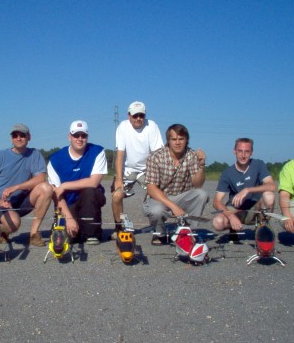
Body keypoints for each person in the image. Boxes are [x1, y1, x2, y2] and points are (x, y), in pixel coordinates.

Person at [0, 124, 52, 247]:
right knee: (14, 223)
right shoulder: (0, 156)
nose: (18, 138)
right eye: (15, 135)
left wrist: (16, 187)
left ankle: (34, 234)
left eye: (22, 135)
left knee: (46, 188)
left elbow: (41, 178)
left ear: (29, 137)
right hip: (3, 203)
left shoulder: (34, 154)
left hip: (22, 199)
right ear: (11, 138)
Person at [142, 123, 209, 245]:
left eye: (181, 139)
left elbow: (197, 184)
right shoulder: (155, 157)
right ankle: (159, 234)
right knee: (156, 210)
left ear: (186, 140)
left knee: (202, 194)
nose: (177, 143)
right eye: (173, 139)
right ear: (168, 141)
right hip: (160, 197)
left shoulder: (192, 156)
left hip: (181, 195)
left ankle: (188, 232)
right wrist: (173, 206)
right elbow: (151, 189)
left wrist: (201, 166)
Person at [47, 120, 108, 244]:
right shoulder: (55, 159)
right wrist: (69, 218)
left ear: (87, 137)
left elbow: (94, 182)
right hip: (67, 203)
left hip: (89, 199)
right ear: (69, 137)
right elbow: (56, 194)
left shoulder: (97, 151)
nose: (80, 139)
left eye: (83, 135)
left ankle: (92, 233)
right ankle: (76, 227)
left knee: (90, 191)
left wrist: (65, 185)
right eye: (76, 135)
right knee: (68, 238)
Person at [111, 101, 163, 238]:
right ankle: (119, 228)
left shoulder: (152, 126)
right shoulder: (122, 127)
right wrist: (119, 179)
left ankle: (158, 230)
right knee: (116, 195)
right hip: (128, 170)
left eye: (141, 115)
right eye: (135, 116)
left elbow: (158, 153)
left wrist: (156, 179)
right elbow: (120, 154)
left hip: (147, 170)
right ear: (129, 116)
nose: (139, 118)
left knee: (158, 195)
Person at [212, 138, 276, 238]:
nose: (243, 155)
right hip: (237, 209)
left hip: (256, 207)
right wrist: (231, 216)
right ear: (234, 151)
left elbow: (271, 186)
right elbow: (216, 202)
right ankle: (233, 228)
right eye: (240, 151)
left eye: (247, 152)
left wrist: (248, 190)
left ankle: (262, 226)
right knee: (218, 222)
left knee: (269, 196)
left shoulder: (259, 165)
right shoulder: (227, 173)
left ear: (252, 153)